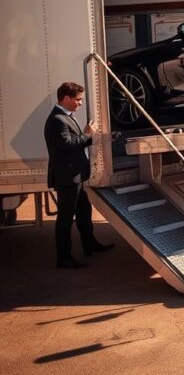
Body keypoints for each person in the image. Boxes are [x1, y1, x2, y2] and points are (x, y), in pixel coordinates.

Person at [44, 81, 113, 269]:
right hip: (67, 178)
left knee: (84, 212)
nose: (80, 104)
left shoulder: (66, 116)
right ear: (66, 98)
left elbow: (71, 141)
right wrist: (89, 136)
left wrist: (83, 135)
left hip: (75, 176)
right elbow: (66, 144)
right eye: (78, 100)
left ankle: (89, 244)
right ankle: (64, 258)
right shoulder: (57, 119)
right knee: (65, 219)